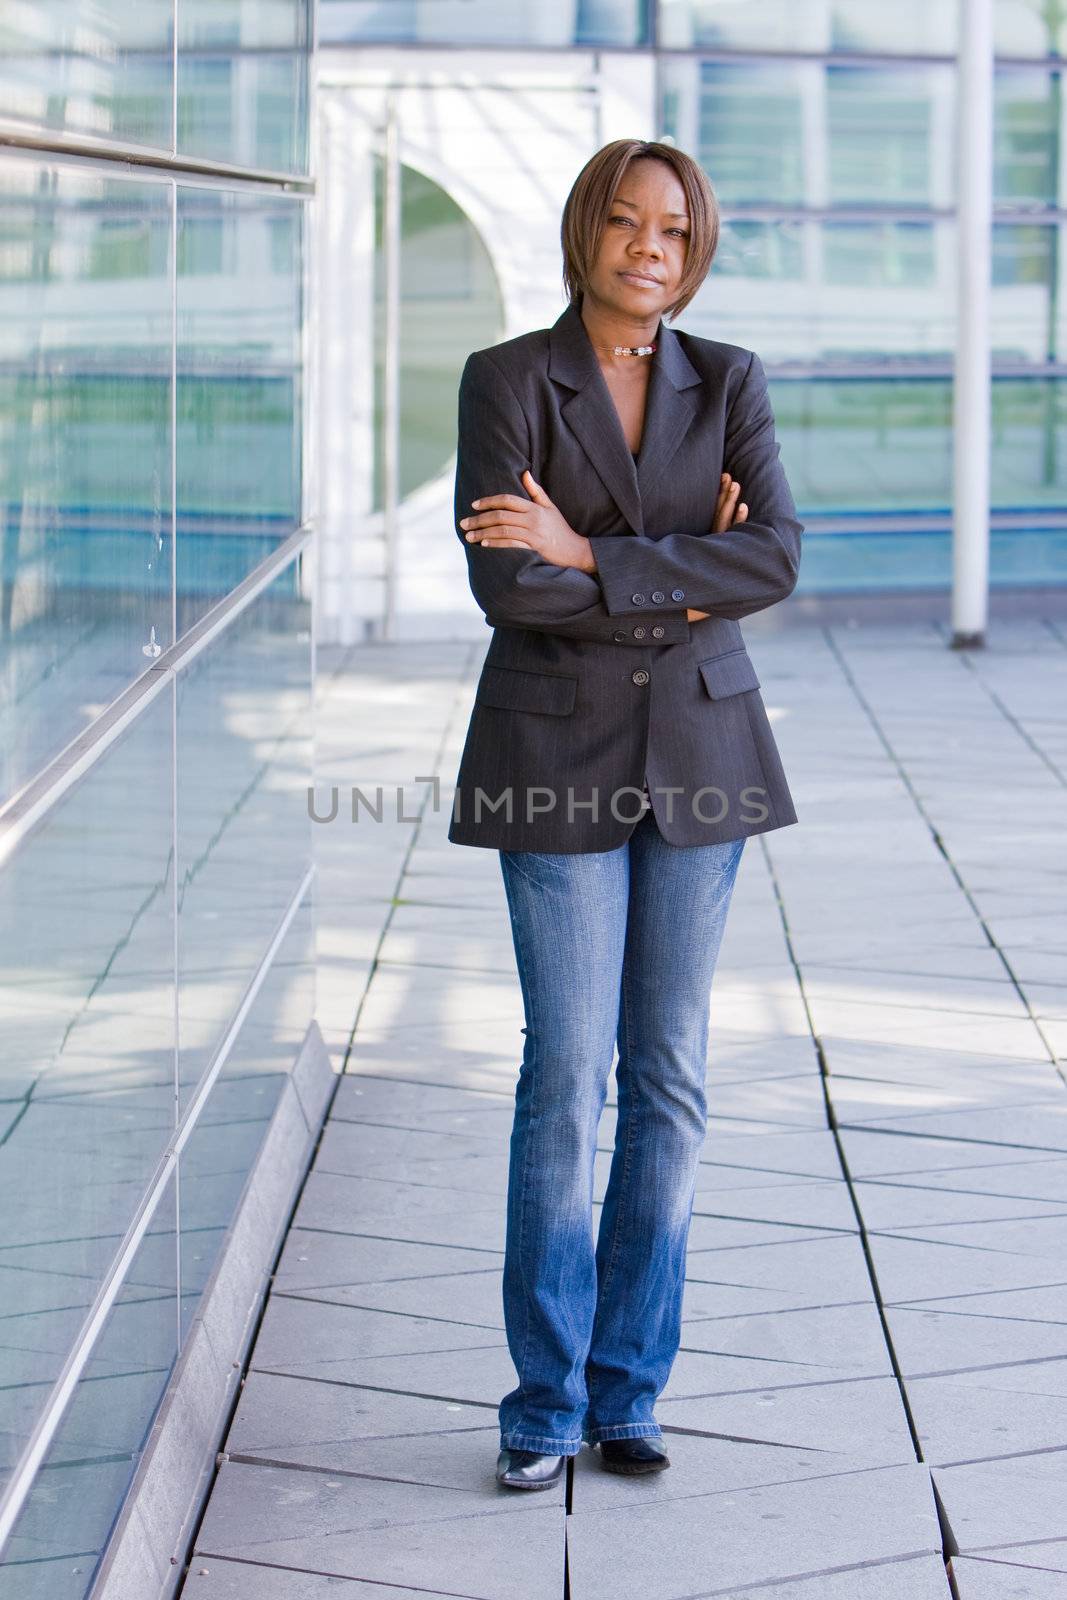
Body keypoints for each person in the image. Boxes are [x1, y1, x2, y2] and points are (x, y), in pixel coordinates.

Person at [448, 139, 803, 1490]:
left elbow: (773, 553)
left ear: (694, 248)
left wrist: (589, 550)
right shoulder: (509, 381)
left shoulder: (734, 383)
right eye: (627, 221)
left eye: (675, 229)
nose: (650, 247)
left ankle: (628, 1390)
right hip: (555, 751)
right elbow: (507, 591)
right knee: (567, 1080)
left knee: (670, 1080)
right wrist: (685, 569)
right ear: (586, 230)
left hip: (703, 749)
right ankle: (542, 1402)